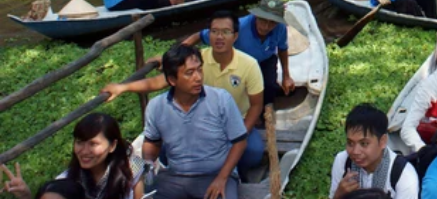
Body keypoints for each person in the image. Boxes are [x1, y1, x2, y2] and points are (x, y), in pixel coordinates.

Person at [104, 11, 265, 175]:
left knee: (252, 152)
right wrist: (122, 87)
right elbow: (159, 81)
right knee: (168, 151)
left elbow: (256, 105)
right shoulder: (196, 60)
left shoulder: (249, 65)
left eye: (225, 32)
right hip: (202, 118)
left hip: (236, 121)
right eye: (214, 31)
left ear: (235, 36)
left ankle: (235, 175)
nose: (219, 37)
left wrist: (241, 133)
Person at [141, 44, 247, 199]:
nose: (198, 77)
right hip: (175, 177)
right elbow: (152, 142)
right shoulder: (156, 107)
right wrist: (148, 165)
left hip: (216, 175)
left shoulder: (221, 100)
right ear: (172, 80)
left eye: (199, 69)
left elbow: (240, 142)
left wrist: (222, 178)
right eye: (189, 73)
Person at [182, 0, 295, 106]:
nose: (266, 27)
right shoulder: (239, 27)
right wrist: (180, 51)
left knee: (269, 87)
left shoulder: (280, 28)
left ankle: (267, 107)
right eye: (262, 20)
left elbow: (282, 49)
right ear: (256, 16)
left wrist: (286, 76)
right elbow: (199, 36)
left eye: (272, 23)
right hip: (241, 64)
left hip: (266, 59)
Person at [1, 113, 144, 199]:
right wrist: (26, 196)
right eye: (80, 142)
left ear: (112, 145)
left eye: (93, 144)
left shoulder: (131, 167)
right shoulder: (68, 181)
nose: (84, 151)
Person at [329, 104, 418, 199]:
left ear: (382, 141)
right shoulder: (342, 161)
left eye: (364, 143)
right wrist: (338, 195)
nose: (355, 151)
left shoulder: (404, 175)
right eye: (350, 143)